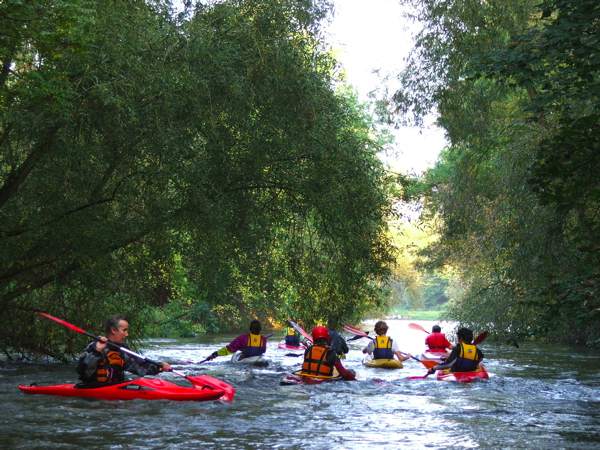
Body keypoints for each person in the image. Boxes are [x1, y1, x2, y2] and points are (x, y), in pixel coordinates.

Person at [77, 315, 171, 387]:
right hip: (92, 390)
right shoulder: (94, 346)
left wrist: (159, 367)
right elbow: (82, 371)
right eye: (124, 330)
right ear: (113, 330)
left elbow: (140, 366)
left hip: (115, 391)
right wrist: (96, 351)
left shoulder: (123, 350)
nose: (127, 334)